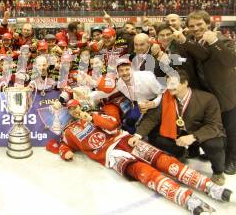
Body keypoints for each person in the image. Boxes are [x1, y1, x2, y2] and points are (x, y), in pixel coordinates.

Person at [47, 99, 234, 214]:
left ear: (81, 106)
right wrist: (65, 153)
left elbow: (113, 125)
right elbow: (61, 145)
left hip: (124, 140)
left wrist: (93, 119)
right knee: (144, 172)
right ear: (67, 113)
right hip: (111, 155)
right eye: (71, 110)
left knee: (163, 159)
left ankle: (207, 185)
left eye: (76, 107)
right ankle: (184, 197)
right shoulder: (69, 131)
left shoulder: (96, 114)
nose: (74, 111)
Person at [130, 70, 227, 185]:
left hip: (200, 133)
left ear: (185, 83)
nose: (169, 87)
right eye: (168, 84)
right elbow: (153, 118)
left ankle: (218, 172)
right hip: (178, 132)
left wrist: (194, 137)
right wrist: (137, 135)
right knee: (157, 138)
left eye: (173, 84)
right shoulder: (166, 98)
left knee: (214, 144)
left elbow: (214, 126)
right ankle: (181, 153)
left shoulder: (208, 99)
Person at [172, 10, 236, 175]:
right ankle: (214, 153)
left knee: (230, 129)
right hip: (205, 93)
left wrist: (215, 42)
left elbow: (230, 62)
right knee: (211, 125)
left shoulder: (222, 39)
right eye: (192, 25)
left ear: (208, 24)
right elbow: (190, 60)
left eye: (199, 24)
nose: (196, 28)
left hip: (226, 94)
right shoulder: (191, 42)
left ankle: (233, 160)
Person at [115, 59, 163, 133]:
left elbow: (162, 94)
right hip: (139, 103)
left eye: (127, 69)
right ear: (118, 73)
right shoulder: (119, 84)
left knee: (153, 129)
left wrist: (153, 103)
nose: (124, 73)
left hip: (156, 101)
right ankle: (133, 137)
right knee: (129, 121)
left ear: (132, 69)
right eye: (121, 70)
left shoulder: (147, 77)